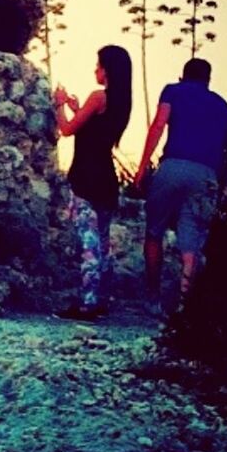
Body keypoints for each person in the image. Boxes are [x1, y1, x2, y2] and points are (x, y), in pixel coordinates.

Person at [133, 58, 227, 317]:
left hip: (172, 166)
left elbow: (159, 124)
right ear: (208, 79)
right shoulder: (224, 106)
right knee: (191, 242)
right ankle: (184, 306)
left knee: (154, 231)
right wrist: (226, 186)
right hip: (206, 175)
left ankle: (152, 298)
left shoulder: (173, 90)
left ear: (183, 76)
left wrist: (142, 166)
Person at [52, 45, 133, 320]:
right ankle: (101, 300)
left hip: (86, 178)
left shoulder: (98, 97)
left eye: (98, 65)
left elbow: (66, 130)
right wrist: (79, 109)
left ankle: (86, 303)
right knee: (104, 243)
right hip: (107, 179)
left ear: (107, 69)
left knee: (89, 243)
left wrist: (60, 104)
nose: (95, 70)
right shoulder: (122, 102)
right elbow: (95, 130)